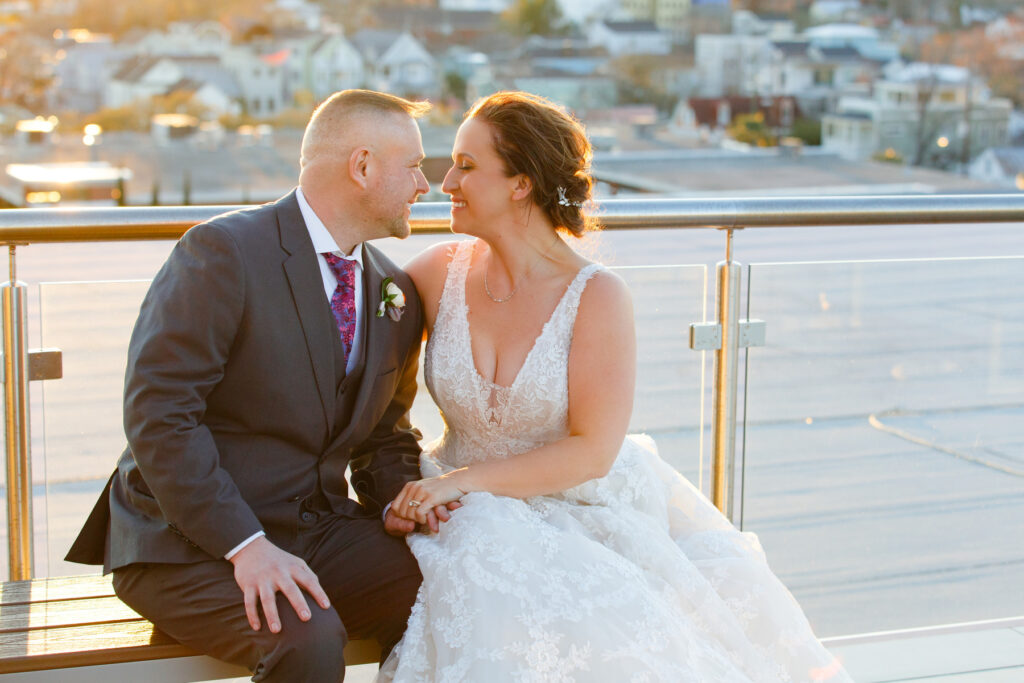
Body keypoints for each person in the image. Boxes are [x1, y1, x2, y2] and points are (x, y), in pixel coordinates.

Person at [378, 91, 853, 682]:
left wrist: (460, 485)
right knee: (482, 553)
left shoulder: (596, 297)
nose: (445, 181)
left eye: (467, 166)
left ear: (521, 183)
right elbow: (365, 381)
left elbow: (592, 451)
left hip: (576, 501)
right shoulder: (432, 273)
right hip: (458, 498)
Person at [65, 90, 446, 682]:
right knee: (308, 640)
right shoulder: (223, 253)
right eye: (416, 165)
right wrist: (246, 545)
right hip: (186, 545)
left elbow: (382, 436)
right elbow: (160, 416)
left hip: (315, 531)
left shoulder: (393, 290)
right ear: (363, 166)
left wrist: (403, 500)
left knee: (450, 589)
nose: (426, 184)